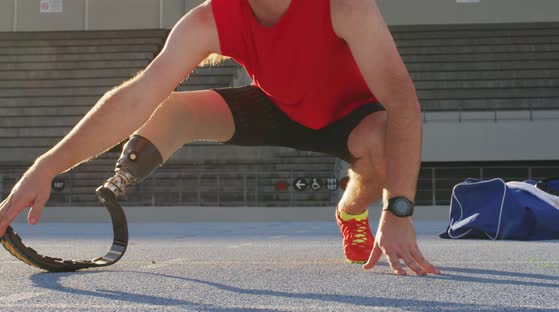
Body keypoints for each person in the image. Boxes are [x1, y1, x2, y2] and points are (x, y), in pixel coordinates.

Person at [0, 0, 440, 276]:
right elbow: (136, 97)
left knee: (384, 139)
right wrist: (48, 165)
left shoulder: (346, 7)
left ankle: (349, 212)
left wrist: (398, 212)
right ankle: (119, 179)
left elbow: (404, 106)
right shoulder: (211, 18)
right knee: (167, 107)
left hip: (351, 116)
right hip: (276, 105)